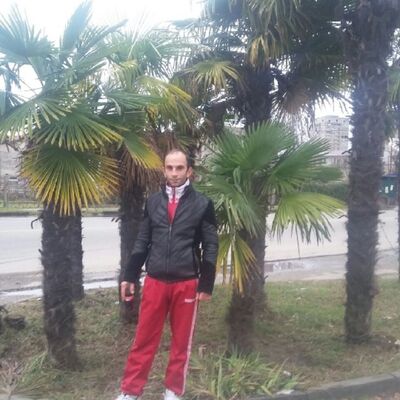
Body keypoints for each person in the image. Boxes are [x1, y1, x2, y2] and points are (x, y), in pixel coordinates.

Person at [115, 149, 219, 400]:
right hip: (155, 281)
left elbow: (211, 245)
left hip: (187, 282)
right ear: (164, 170)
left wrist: (206, 283)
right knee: (143, 340)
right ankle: (130, 391)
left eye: (179, 168)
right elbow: (142, 241)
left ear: (189, 171)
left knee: (181, 343)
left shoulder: (203, 204)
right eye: (170, 168)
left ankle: (173, 391)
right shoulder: (152, 202)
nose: (174, 173)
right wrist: (129, 275)